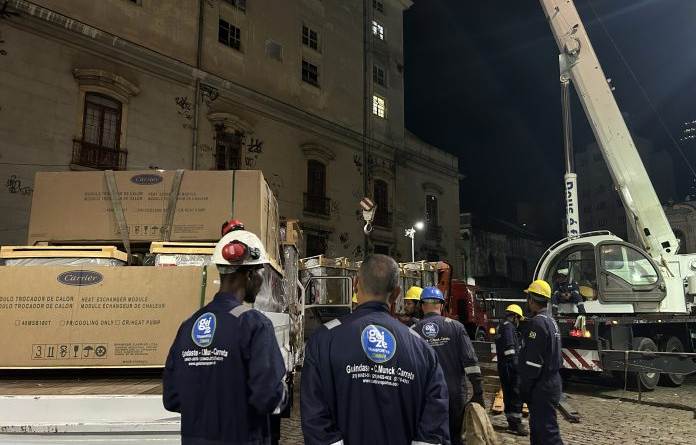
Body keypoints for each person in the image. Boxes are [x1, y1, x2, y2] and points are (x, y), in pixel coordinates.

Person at [301, 254, 450, 445]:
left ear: (355, 284)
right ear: (396, 294)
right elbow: (435, 421)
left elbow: (314, 415)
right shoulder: (422, 348)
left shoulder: (323, 340)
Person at [163, 220, 288, 445]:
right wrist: (284, 393)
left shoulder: (188, 326)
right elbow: (267, 397)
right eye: (260, 273)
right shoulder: (254, 325)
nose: (261, 282)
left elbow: (172, 399)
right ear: (249, 275)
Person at [413, 286, 484, 445]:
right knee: (455, 437)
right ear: (442, 305)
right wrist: (478, 390)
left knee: (430, 437)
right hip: (454, 395)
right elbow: (470, 361)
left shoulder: (413, 331)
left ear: (422, 306)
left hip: (426, 396)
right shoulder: (456, 327)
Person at [518, 280, 564, 445]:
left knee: (548, 434)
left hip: (541, 385)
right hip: (551, 381)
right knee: (538, 432)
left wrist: (525, 388)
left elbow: (533, 364)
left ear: (531, 299)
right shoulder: (550, 321)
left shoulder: (537, 323)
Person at [494, 304, 528, 436]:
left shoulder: (501, 326)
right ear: (514, 317)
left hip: (504, 365)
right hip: (510, 366)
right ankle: (516, 424)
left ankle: (512, 422)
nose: (518, 322)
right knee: (515, 393)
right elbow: (510, 349)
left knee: (508, 393)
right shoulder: (508, 327)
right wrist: (517, 367)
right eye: (518, 319)